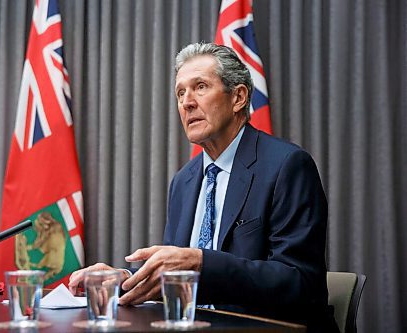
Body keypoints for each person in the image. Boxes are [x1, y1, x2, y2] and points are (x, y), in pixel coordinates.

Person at [69, 42, 338, 332]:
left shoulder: (287, 165)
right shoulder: (184, 182)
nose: (186, 102)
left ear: (238, 97)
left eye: (200, 87)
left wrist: (202, 263)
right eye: (180, 92)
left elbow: (300, 282)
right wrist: (123, 278)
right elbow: (173, 274)